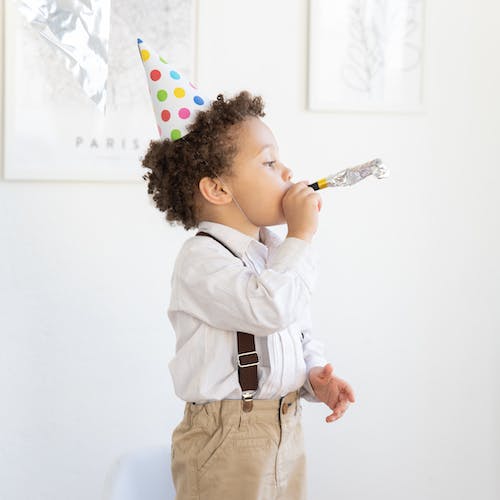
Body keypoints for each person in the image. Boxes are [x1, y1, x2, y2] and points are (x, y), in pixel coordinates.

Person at [138, 39, 356, 500]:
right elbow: (268, 309)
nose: (287, 171)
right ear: (218, 189)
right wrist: (301, 234)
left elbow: (295, 324)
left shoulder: (274, 252)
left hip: (286, 424)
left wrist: (314, 374)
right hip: (226, 439)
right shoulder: (201, 260)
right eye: (270, 162)